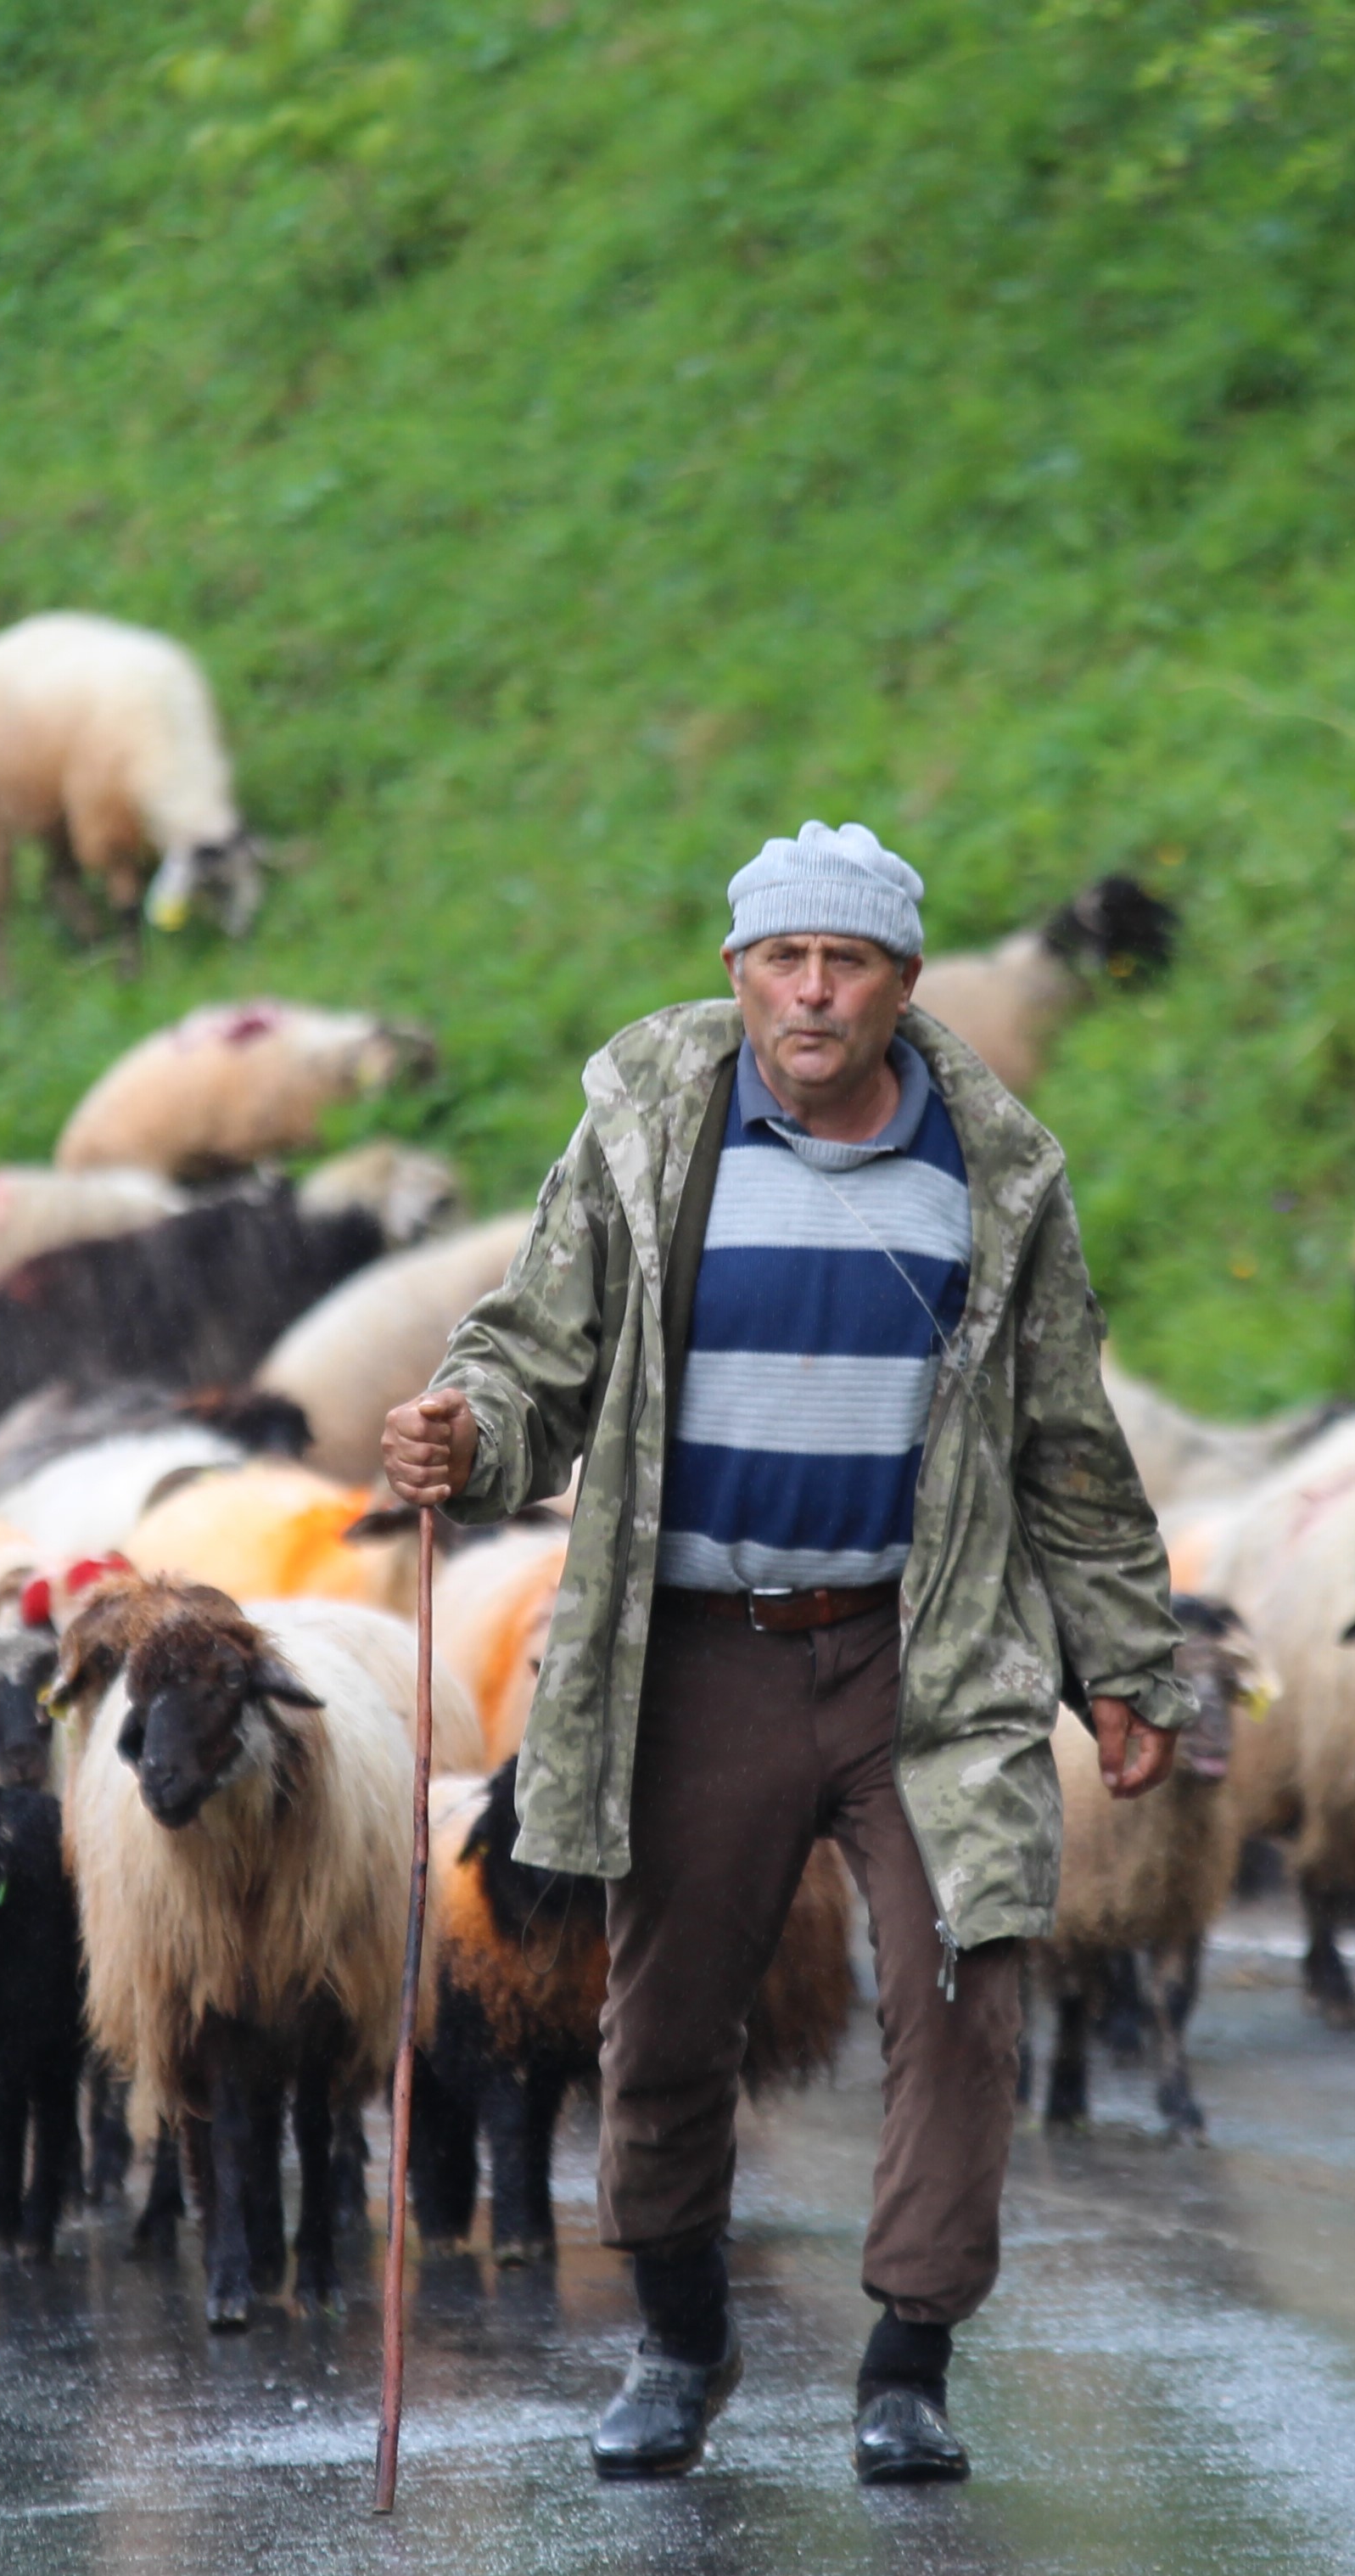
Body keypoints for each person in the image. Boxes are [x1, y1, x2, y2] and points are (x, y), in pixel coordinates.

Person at [382, 818, 1192, 2485]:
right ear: (740, 972)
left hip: (927, 1647)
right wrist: (468, 1441)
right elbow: (539, 1354)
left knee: (967, 1986)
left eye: (848, 964)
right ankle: (680, 2340)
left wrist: (1123, 1661)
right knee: (671, 2020)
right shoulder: (650, 1135)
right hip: (702, 1649)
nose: (812, 992)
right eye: (782, 960)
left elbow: (1065, 1440)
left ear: (902, 982)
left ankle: (908, 2362)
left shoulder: (998, 1173)